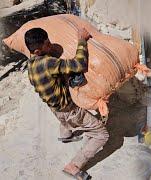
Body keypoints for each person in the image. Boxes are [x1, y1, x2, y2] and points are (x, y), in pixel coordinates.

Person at [25, 27, 109, 180]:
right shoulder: (49, 63)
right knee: (101, 134)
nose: (50, 45)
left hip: (54, 108)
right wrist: (82, 40)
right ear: (37, 51)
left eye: (49, 41)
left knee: (64, 117)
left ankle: (66, 135)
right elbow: (80, 64)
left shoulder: (30, 65)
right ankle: (74, 166)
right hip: (68, 110)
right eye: (47, 45)